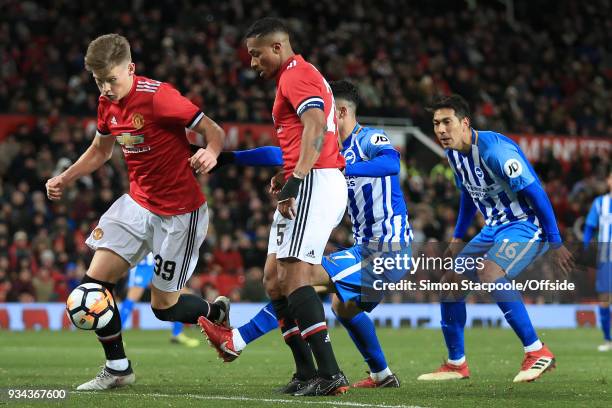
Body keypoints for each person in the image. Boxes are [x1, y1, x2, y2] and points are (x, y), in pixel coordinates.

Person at [199, 80, 411, 390]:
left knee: (299, 276)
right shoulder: (329, 150)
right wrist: (228, 158)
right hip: (364, 248)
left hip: (388, 250)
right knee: (343, 307)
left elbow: (392, 162)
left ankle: (238, 339)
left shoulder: (367, 139)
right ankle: (382, 375)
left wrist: (340, 170)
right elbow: (276, 153)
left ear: (338, 112)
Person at [45, 33, 229, 390]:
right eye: (99, 81)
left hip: (180, 214)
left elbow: (214, 131)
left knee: (164, 308)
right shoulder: (106, 103)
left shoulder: (160, 98)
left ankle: (214, 311)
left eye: (111, 79)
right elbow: (100, 151)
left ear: (130, 68)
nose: (106, 88)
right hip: (137, 205)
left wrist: (212, 151)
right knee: (93, 286)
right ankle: (118, 368)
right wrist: (65, 178)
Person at [209, 17, 348, 397]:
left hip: (316, 182)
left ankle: (331, 373)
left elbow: (316, 126)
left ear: (277, 48)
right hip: (308, 179)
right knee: (274, 279)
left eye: (256, 55)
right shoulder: (293, 78)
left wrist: (296, 179)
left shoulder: (295, 74)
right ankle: (305, 371)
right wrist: (287, 172)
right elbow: (298, 137)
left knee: (294, 277)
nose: (252, 63)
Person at [417, 94, 574, 383]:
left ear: (465, 123)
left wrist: (555, 240)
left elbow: (536, 193)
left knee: (490, 272)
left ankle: (537, 351)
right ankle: (456, 364)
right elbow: (468, 194)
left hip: (526, 225)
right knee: (450, 283)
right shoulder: (453, 154)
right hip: (493, 228)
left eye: (446, 122)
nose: (440, 130)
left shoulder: (496, 152)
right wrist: (458, 236)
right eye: (436, 123)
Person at [119, 253, 200, 347]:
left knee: (181, 293)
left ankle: (177, 334)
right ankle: (117, 335)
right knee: (133, 297)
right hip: (143, 264)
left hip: (160, 263)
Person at [583, 168, 612, 351]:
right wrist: (585, 249)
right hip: (605, 256)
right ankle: (608, 339)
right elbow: (589, 228)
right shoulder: (600, 203)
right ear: (608, 181)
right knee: (604, 298)